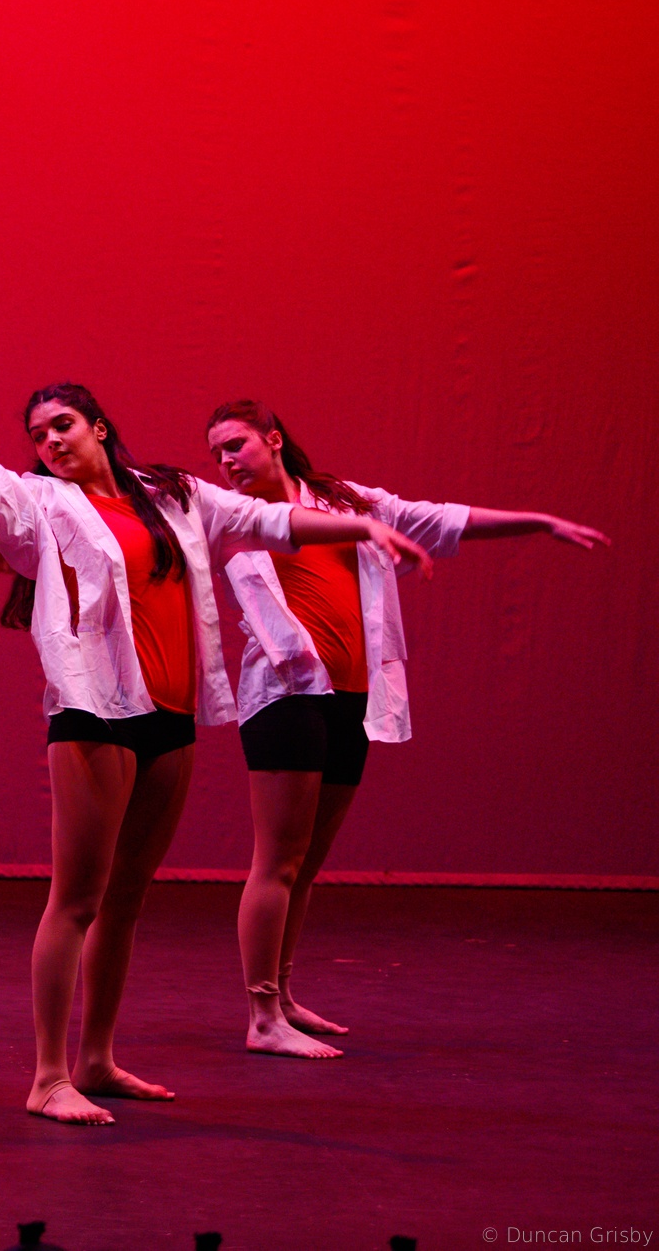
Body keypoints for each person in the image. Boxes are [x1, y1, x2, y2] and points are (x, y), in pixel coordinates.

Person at [0, 296, 434, 1125]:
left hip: (170, 713)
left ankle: (98, 1058)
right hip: (95, 712)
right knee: (76, 897)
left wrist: (361, 527)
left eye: (62, 425)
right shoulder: (39, 501)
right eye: (38, 435)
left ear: (98, 426)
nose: (50, 441)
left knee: (126, 898)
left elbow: (267, 518)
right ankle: (49, 1075)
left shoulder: (173, 493)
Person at [202, 400, 609, 1056]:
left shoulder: (348, 502)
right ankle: (262, 1016)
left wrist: (536, 521)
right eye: (217, 452)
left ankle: (285, 995)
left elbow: (440, 519)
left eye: (235, 444)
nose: (225, 461)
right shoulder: (230, 518)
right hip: (285, 697)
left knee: (306, 863)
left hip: (353, 697)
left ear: (273, 440)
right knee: (276, 860)